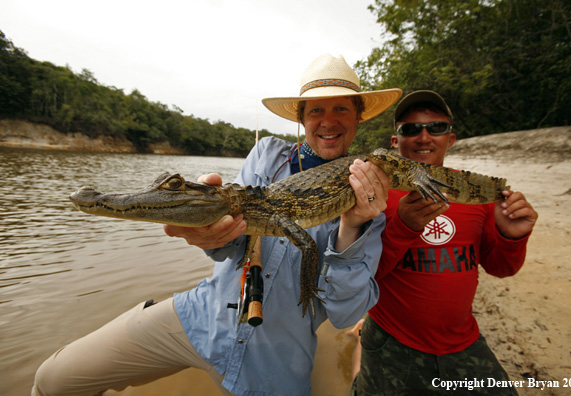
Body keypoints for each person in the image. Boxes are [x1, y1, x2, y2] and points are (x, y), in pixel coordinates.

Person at [32, 54, 403, 396]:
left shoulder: (370, 191)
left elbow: (345, 314)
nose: (328, 120)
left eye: (341, 108)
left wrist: (352, 225)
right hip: (204, 316)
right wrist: (208, 235)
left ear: (359, 118)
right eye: (316, 109)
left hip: (275, 359)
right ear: (301, 118)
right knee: (53, 379)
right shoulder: (267, 154)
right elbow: (228, 248)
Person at [351, 90, 538, 395]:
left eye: (435, 127)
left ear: (450, 139)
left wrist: (512, 236)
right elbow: (361, 275)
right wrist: (403, 226)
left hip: (462, 341)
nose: (424, 137)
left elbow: (501, 267)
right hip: (391, 338)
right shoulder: (375, 191)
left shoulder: (473, 193)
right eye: (410, 129)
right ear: (395, 141)